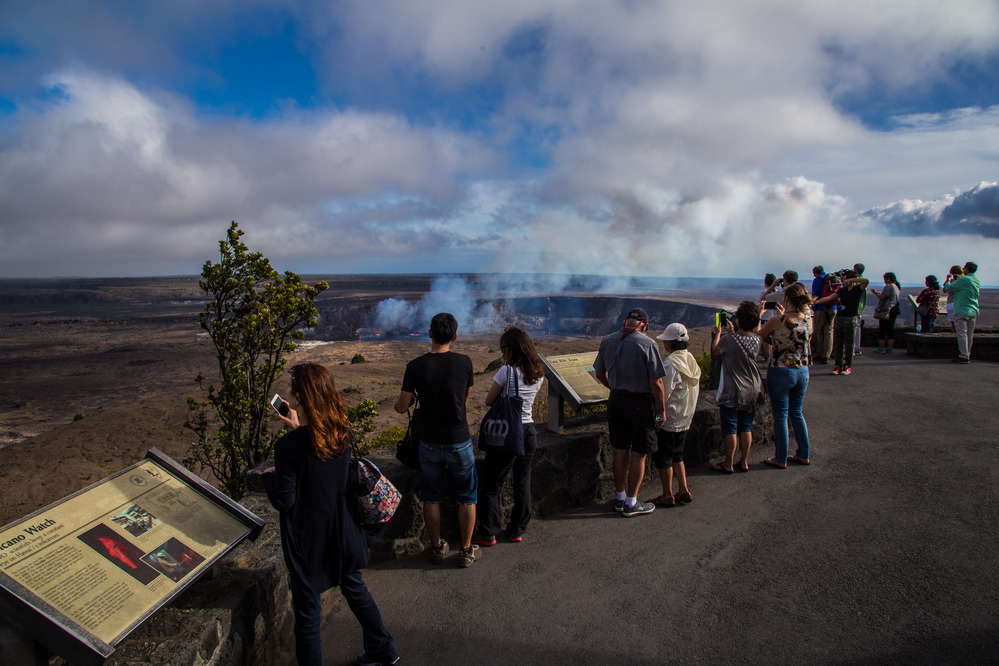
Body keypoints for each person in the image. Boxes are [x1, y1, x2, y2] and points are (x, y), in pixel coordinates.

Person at [264, 363, 398, 666]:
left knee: (308, 613)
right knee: (355, 588)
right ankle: (384, 650)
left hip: (309, 542)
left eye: (291, 386)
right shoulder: (341, 432)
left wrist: (270, 478)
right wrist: (299, 427)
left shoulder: (288, 447)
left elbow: (285, 501)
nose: (286, 391)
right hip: (344, 531)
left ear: (300, 395)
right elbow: (320, 461)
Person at [394, 312, 479, 567]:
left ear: (430, 334)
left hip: (429, 442)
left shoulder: (415, 366)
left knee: (431, 497)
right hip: (459, 440)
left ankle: (436, 546)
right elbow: (465, 398)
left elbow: (402, 405)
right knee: (467, 497)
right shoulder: (465, 362)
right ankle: (465, 550)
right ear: (454, 336)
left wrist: (401, 408)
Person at [472, 327, 545, 545]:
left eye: (503, 348)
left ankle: (488, 532)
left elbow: (488, 400)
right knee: (522, 482)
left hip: (508, 432)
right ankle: (517, 529)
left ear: (510, 348)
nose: (502, 353)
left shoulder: (507, 372)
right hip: (529, 430)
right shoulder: (538, 371)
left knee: (492, 484)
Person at [593, 307, 667, 517]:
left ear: (626, 321)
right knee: (639, 453)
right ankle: (632, 503)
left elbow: (599, 373)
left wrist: (614, 388)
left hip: (616, 400)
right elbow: (656, 382)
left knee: (620, 450)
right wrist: (661, 409)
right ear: (643, 324)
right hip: (640, 403)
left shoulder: (608, 340)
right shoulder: (647, 343)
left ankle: (620, 497)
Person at [646, 323, 701, 506]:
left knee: (665, 458)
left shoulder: (671, 364)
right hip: (685, 417)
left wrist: (657, 412)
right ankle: (683, 489)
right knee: (678, 455)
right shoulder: (690, 360)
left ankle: (667, 494)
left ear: (670, 344)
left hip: (670, 418)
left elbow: (663, 392)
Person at [710, 302, 768, 473]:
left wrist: (719, 333)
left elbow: (716, 351)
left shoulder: (729, 340)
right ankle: (744, 461)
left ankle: (728, 463)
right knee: (746, 426)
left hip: (733, 389)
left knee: (731, 428)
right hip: (752, 389)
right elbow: (744, 343)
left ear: (739, 322)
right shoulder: (757, 339)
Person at [759, 283, 812, 468]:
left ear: (787, 299)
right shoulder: (807, 320)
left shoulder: (778, 321)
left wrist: (760, 316)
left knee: (781, 415)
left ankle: (780, 458)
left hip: (781, 371)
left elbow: (760, 335)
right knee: (797, 413)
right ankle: (804, 454)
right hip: (802, 371)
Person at [814, 270, 869, 375]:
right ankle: (838, 365)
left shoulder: (858, 289)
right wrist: (817, 301)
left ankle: (847, 365)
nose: (843, 280)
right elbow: (830, 297)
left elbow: (865, 281)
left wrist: (852, 279)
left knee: (849, 343)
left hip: (850, 318)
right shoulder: (842, 290)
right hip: (840, 318)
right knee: (838, 343)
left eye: (845, 278)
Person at [943, 262, 981, 364]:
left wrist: (949, 279)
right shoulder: (976, 280)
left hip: (961, 310)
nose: (963, 270)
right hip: (973, 310)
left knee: (962, 334)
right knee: (969, 334)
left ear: (967, 269)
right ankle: (967, 354)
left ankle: (963, 356)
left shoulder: (964, 279)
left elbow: (948, 288)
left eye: (964, 268)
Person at [810, 265, 836, 365]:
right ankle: (827, 355)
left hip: (821, 308)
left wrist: (813, 306)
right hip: (833, 308)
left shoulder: (817, 280)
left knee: (819, 331)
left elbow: (814, 295)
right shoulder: (832, 279)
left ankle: (820, 353)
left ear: (815, 273)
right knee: (829, 331)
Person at [871, 272, 901, 353]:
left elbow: (883, 297)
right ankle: (890, 347)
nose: (884, 281)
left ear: (888, 279)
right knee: (890, 329)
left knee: (883, 328)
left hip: (887, 309)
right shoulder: (897, 287)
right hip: (894, 309)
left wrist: (875, 293)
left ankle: (882, 348)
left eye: (885, 279)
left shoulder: (888, 286)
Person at [943, 265, 963, 332]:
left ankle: (953, 336)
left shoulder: (951, 281)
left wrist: (948, 279)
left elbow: (944, 290)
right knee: (961, 325)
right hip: (960, 303)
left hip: (951, 302)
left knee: (953, 325)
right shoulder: (963, 280)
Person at [853, 263, 867, 356]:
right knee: (858, 328)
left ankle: (854, 348)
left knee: (854, 328)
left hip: (855, 307)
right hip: (860, 307)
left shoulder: (856, 281)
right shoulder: (863, 280)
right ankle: (857, 348)